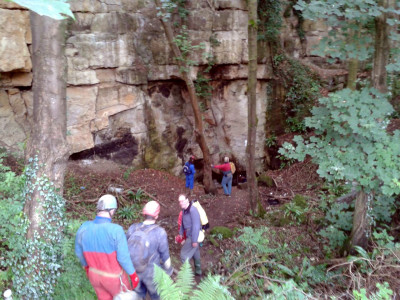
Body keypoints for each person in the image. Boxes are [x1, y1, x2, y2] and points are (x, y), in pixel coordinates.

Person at [75, 194, 139, 300]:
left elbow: (79, 252)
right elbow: (123, 258)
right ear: (112, 210)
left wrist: (87, 268)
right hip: (113, 279)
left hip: (94, 276)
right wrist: (133, 275)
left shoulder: (84, 227)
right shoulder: (116, 230)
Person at [126, 201, 173, 300]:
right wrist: (168, 272)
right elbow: (166, 258)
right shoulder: (160, 232)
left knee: (138, 295)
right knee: (156, 296)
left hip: (134, 270)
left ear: (144, 214)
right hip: (152, 274)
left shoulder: (133, 228)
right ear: (156, 216)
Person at [175, 194, 202, 276]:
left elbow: (196, 226)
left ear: (187, 200)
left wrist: (194, 240)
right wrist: (180, 233)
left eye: (182, 201)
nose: (181, 203)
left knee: (183, 255)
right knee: (195, 252)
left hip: (193, 235)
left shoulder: (193, 210)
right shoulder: (184, 210)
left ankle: (187, 276)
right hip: (189, 234)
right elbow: (183, 224)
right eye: (179, 201)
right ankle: (198, 271)